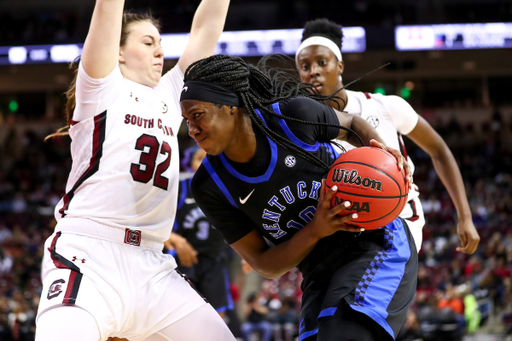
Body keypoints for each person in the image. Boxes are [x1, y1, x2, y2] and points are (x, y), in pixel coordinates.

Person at [35, 0, 236, 340]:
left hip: (152, 267)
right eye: (148, 42)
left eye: (161, 44)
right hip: (88, 256)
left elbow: (207, 27)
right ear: (119, 52)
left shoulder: (171, 96)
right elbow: (107, 8)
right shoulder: (100, 87)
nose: (160, 52)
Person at [180, 54, 416, 341]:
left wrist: (382, 152)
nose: (191, 129)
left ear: (230, 106)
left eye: (197, 115)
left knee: (344, 335)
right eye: (187, 120)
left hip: (373, 241)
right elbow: (265, 264)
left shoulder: (291, 117)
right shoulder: (210, 184)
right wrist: (317, 229)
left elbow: (353, 123)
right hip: (317, 266)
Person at [291, 18, 480, 254]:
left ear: (340, 65)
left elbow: (439, 150)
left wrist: (465, 216)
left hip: (400, 221)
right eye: (305, 67)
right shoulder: (297, 125)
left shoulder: (383, 105)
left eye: (321, 62)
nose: (314, 72)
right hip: (345, 233)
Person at [165, 146, 234, 317]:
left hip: (215, 260)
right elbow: (155, 221)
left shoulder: (229, 189)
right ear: (190, 163)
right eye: (199, 158)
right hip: (182, 259)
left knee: (217, 317)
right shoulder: (179, 187)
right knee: (179, 314)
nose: (205, 162)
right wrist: (173, 239)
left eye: (211, 158)